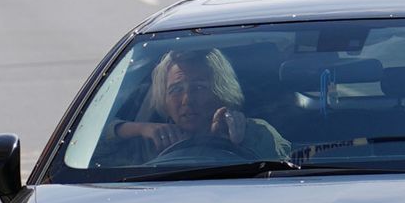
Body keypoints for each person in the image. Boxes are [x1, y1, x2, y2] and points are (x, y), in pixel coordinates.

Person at [107, 48, 290, 162]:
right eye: (176, 89)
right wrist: (136, 129)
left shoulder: (256, 132)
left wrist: (240, 142)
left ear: (222, 92)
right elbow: (84, 149)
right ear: (164, 100)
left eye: (199, 87)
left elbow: (281, 174)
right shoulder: (148, 143)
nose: (187, 99)